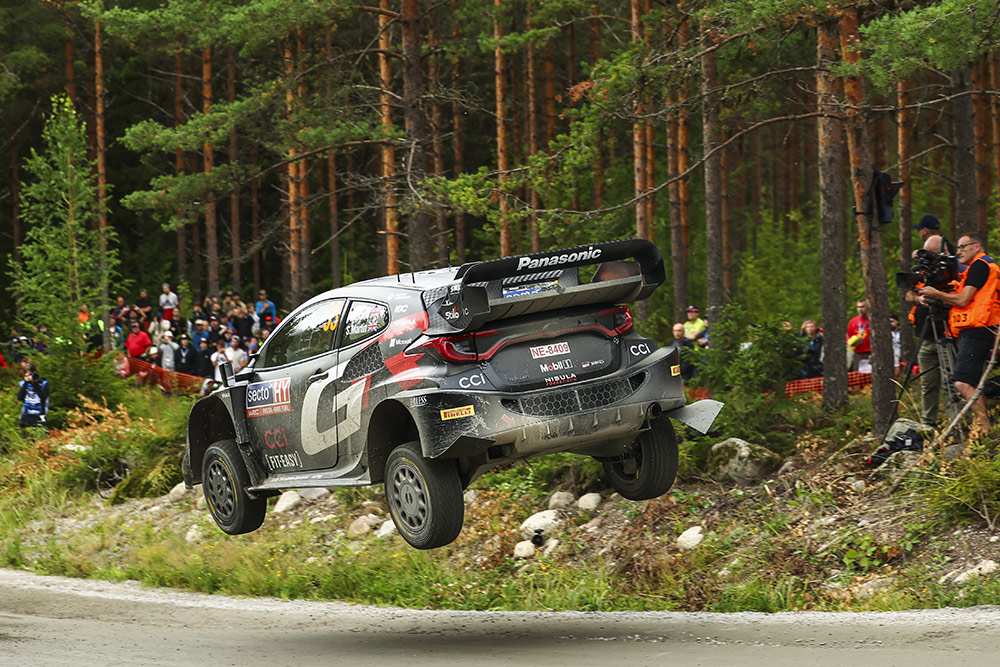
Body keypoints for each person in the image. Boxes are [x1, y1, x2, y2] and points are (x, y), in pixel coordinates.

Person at [919, 232, 1000, 435]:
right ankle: (983, 422)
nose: (959, 251)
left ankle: (983, 427)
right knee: (970, 381)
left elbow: (963, 300)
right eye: (958, 247)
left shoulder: (980, 266)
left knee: (963, 381)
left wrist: (936, 294)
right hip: (978, 329)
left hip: (978, 330)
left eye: (964, 246)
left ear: (977, 246)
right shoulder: (980, 268)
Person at [904, 233, 953, 426]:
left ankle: (955, 421)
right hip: (925, 336)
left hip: (946, 334)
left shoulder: (951, 271)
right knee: (927, 383)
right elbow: (908, 293)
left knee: (951, 382)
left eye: (932, 253)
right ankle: (927, 423)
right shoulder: (923, 270)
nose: (929, 258)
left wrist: (938, 294)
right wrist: (918, 298)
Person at [17, 364, 49, 430]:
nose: (29, 376)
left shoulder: (43, 383)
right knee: (25, 436)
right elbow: (20, 397)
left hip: (39, 415)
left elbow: (43, 397)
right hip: (26, 414)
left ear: (35, 372)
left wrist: (35, 383)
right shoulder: (23, 384)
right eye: (27, 374)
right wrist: (26, 383)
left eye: (30, 374)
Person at [846, 299, 871, 372]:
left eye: (862, 307)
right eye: (858, 307)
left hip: (870, 352)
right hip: (858, 353)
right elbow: (848, 335)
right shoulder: (853, 321)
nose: (860, 309)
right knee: (858, 377)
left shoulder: (872, 319)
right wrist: (850, 342)